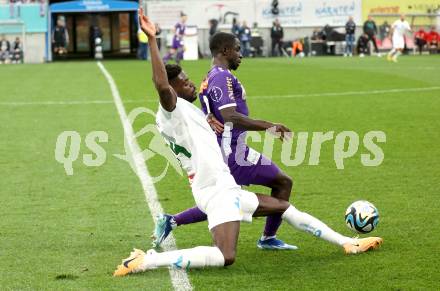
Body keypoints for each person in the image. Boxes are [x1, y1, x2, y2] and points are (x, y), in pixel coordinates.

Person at [113, 10, 383, 277]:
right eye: (184, 82)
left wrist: (209, 117)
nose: (192, 84)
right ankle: (148, 261)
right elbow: (162, 86)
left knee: (284, 206)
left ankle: (348, 243)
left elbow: (203, 118)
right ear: (173, 89)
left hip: (216, 187)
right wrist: (152, 40)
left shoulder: (186, 113)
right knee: (225, 256)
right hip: (218, 191)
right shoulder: (172, 109)